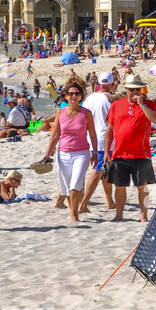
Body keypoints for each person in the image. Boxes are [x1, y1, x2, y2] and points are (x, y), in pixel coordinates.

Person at [104, 74, 156, 222]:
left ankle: (144, 215)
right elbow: (109, 129)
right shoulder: (117, 105)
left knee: (142, 186)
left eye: (138, 89)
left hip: (141, 153)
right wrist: (106, 151)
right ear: (126, 89)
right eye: (132, 89)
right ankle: (119, 214)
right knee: (119, 186)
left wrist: (142, 105)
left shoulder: (148, 104)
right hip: (119, 153)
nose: (135, 92)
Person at [41, 81, 99, 222]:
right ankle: (74, 210)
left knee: (76, 183)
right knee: (67, 186)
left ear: (81, 96)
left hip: (82, 153)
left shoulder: (86, 113)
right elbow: (55, 134)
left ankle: (74, 215)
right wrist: (47, 154)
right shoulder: (60, 112)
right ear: (66, 96)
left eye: (77, 93)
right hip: (63, 154)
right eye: (71, 93)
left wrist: (95, 152)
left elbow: (92, 134)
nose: (74, 96)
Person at [79, 72, 116, 213]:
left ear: (99, 84)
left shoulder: (89, 98)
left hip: (90, 138)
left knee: (105, 170)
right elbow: (113, 122)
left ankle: (110, 202)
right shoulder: (110, 100)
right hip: (104, 140)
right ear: (112, 84)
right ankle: (83, 204)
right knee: (98, 171)